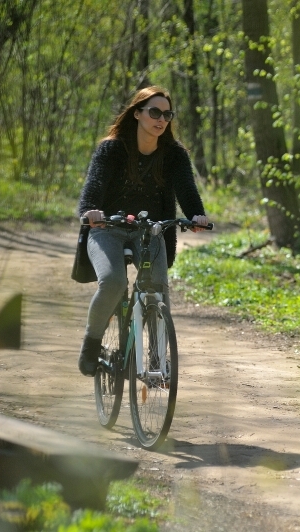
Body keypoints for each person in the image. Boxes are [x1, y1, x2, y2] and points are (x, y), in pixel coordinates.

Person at [76, 86, 210, 377]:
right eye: (154, 112)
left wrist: (196, 216)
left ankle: (157, 361)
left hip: (151, 232)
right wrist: (90, 212)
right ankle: (91, 344)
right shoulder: (111, 148)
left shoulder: (174, 155)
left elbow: (186, 190)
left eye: (167, 114)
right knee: (112, 282)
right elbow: (94, 187)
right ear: (137, 114)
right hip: (107, 228)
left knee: (158, 289)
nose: (161, 119)